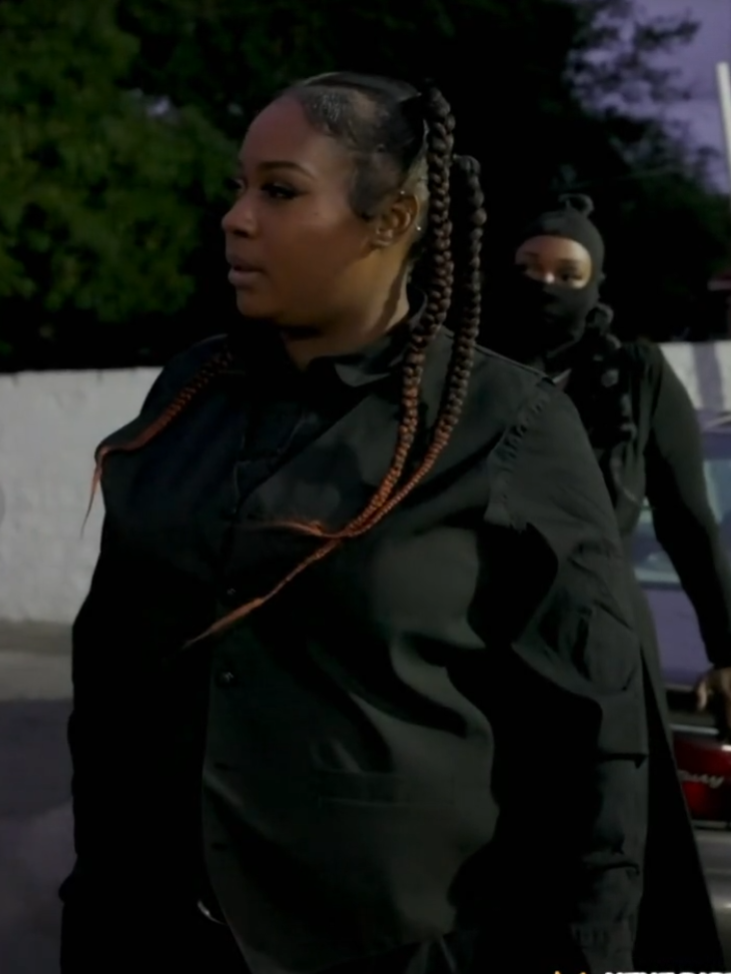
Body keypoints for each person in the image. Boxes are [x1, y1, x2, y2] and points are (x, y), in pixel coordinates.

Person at [59, 77, 647, 974]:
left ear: (391, 219)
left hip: (396, 950)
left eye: (280, 190)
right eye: (239, 187)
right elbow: (110, 684)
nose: (236, 219)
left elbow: (592, 738)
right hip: (153, 937)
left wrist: (585, 956)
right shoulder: (188, 395)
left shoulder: (503, 424)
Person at [485, 192, 730, 970]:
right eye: (529, 269)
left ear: (595, 283)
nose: (546, 287)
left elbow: (689, 523)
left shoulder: (636, 377)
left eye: (567, 273)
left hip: (598, 644)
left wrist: (726, 650)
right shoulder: (462, 371)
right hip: (477, 639)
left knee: (598, 858)